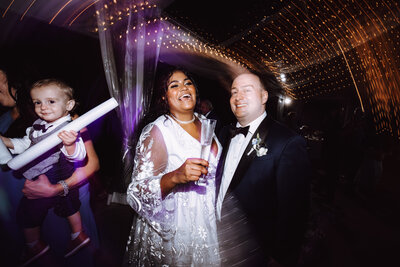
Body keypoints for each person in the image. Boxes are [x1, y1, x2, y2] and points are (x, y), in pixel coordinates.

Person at [0, 66, 99, 267]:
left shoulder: (69, 123)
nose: (43, 106)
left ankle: (76, 235)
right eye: (38, 102)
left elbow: (89, 161)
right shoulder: (33, 125)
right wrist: (7, 142)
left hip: (59, 200)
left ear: (17, 84)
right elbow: (23, 145)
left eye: (1, 81)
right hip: (22, 205)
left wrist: (56, 188)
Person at [124, 67, 221, 266]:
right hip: (178, 225)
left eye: (188, 82)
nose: (184, 87)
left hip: (208, 217)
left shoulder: (205, 123)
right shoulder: (159, 130)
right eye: (174, 85)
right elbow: (136, 192)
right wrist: (176, 176)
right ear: (163, 97)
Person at [215, 71, 311, 267]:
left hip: (257, 252)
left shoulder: (287, 142)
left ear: (264, 96)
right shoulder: (224, 133)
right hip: (215, 242)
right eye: (234, 92)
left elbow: (295, 210)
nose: (238, 97)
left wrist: (281, 257)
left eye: (246, 90)